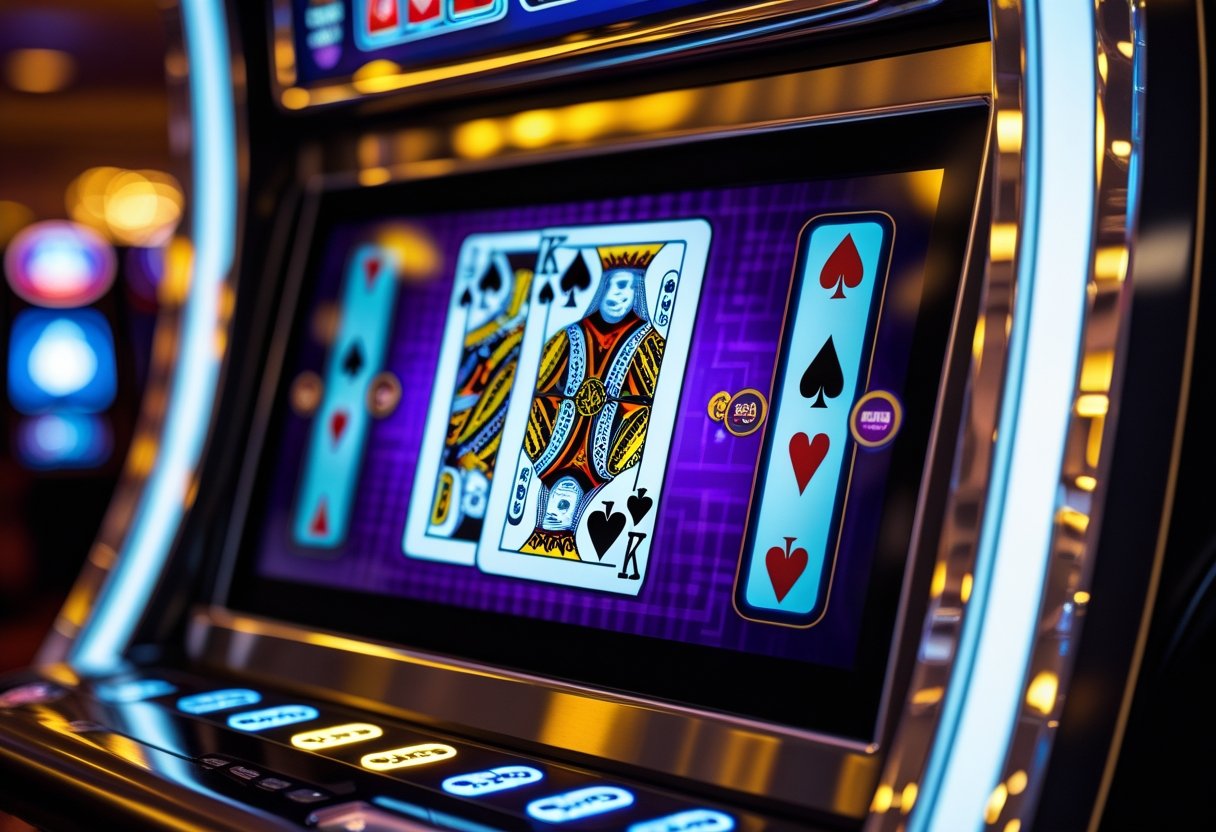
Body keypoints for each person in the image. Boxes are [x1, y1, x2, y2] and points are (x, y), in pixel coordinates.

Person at [518, 244, 666, 560]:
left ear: (638, 291)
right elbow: (539, 390)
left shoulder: (541, 454)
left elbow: (652, 404)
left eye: (625, 286)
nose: (616, 294)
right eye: (613, 284)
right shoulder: (611, 467)